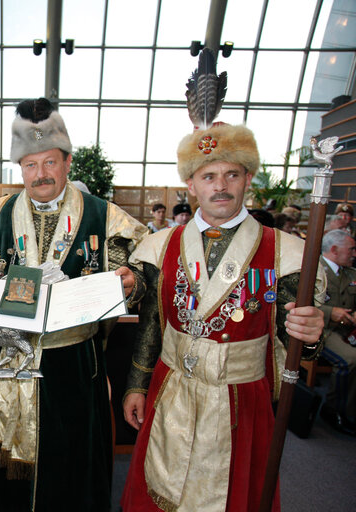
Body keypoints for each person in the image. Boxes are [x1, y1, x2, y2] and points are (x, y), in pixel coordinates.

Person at [0, 97, 147, 511]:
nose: (40, 174)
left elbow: (135, 281)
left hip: (74, 367)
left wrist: (130, 284)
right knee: (8, 490)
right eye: (30, 165)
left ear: (67, 162)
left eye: (50, 163)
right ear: (19, 168)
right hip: (7, 360)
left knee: (70, 479)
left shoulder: (105, 217)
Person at [121, 123, 325, 511]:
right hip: (171, 390)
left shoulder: (286, 253)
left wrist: (310, 334)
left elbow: (298, 344)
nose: (221, 186)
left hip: (241, 401)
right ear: (190, 184)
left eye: (232, 174)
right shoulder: (158, 245)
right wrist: (136, 385)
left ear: (248, 178)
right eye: (208, 176)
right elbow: (151, 324)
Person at [318, 229, 356, 436]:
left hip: (348, 329)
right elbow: (297, 303)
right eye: (351, 249)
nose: (354, 254)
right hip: (322, 330)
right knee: (350, 359)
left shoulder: (351, 274)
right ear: (334, 249)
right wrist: (330, 312)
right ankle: (336, 410)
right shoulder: (314, 271)